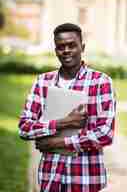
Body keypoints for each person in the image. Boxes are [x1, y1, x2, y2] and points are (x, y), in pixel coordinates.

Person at [19, 23, 116, 192]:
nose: (66, 51)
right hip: (50, 177)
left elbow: (105, 134)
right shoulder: (42, 82)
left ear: (82, 47)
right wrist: (62, 123)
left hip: (86, 179)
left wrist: (58, 142)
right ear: (55, 50)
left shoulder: (101, 82)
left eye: (72, 45)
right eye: (60, 47)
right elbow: (24, 128)